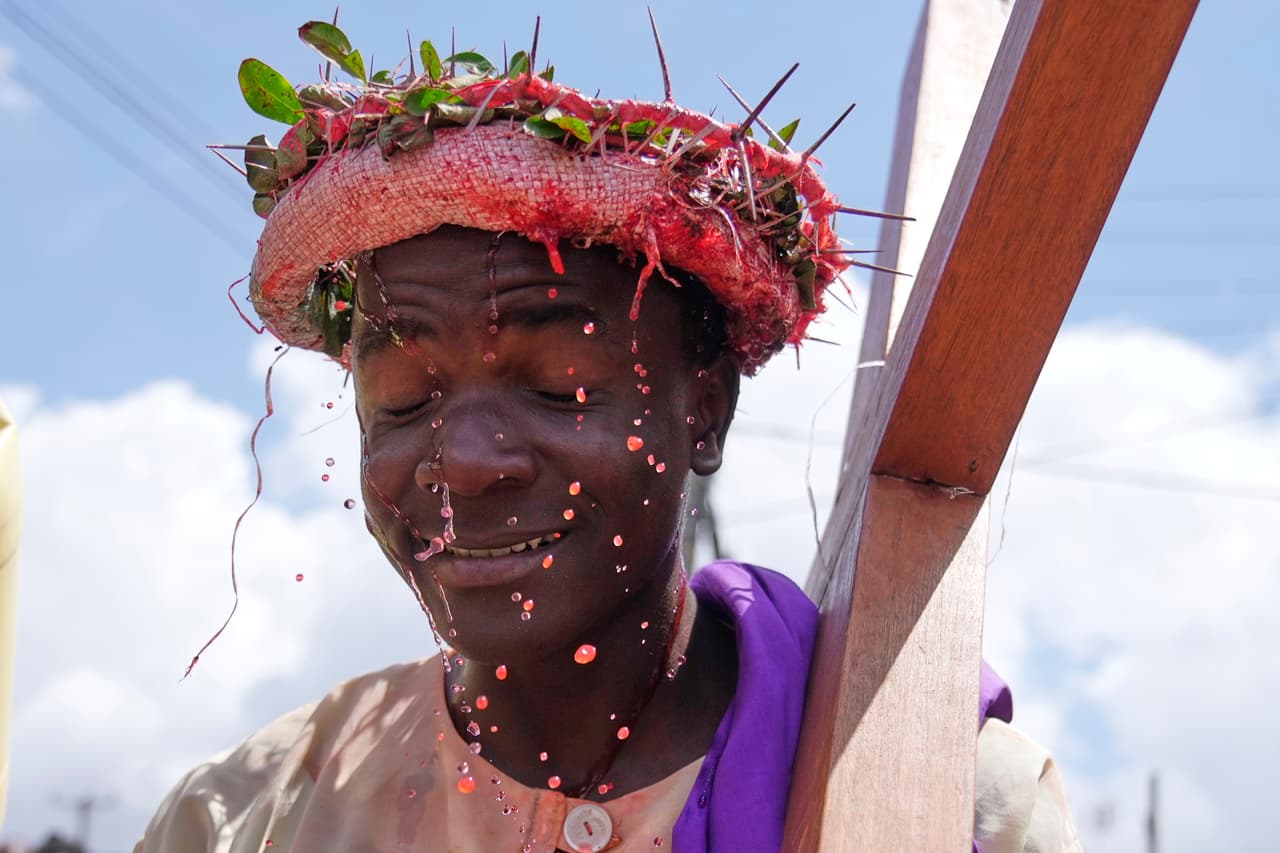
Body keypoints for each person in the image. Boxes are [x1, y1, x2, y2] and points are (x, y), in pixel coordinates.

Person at [136, 20, 1080, 853]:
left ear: (703, 407)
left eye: (556, 387)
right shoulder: (243, 819)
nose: (465, 461)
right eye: (403, 400)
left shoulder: (950, 812)